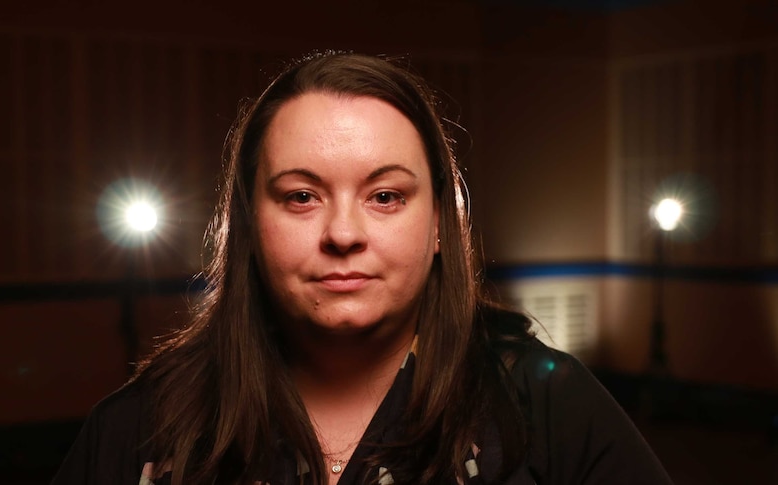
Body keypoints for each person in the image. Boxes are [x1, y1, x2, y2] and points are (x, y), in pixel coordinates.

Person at [51, 51, 673, 485]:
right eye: (301, 196)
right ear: (248, 226)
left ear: (438, 225)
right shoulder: (140, 427)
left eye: (385, 197)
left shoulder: (544, 406)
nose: (343, 234)